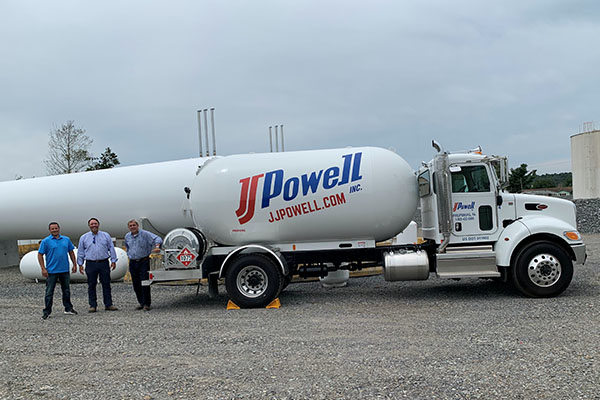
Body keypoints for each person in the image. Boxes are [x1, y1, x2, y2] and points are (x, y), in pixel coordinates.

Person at [38, 222, 78, 320]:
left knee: (66, 290)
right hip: (51, 271)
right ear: (49, 230)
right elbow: (40, 255)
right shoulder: (46, 241)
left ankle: (68, 308)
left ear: (59, 229)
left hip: (64, 270)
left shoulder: (66, 239)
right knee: (49, 292)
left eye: (56, 228)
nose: (54, 230)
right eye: (52, 229)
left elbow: (71, 252)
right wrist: (43, 268)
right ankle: (47, 311)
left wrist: (74, 264)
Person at [77, 217, 118, 312]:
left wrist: (113, 260)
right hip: (90, 263)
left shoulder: (105, 235)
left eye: (95, 223)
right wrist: (80, 264)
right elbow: (81, 251)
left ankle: (108, 304)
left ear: (98, 225)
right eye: (92, 224)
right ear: (89, 226)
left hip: (103, 262)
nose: (94, 225)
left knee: (106, 284)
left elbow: (111, 248)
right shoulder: (84, 237)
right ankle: (93, 305)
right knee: (91, 285)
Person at [124, 219, 162, 311]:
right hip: (133, 262)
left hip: (143, 261)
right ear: (128, 227)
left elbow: (158, 239)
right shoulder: (127, 236)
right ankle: (141, 302)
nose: (132, 227)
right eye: (130, 226)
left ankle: (147, 304)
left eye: (134, 225)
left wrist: (157, 247)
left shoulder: (145, 234)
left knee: (144, 282)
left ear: (137, 226)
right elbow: (127, 246)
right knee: (136, 284)